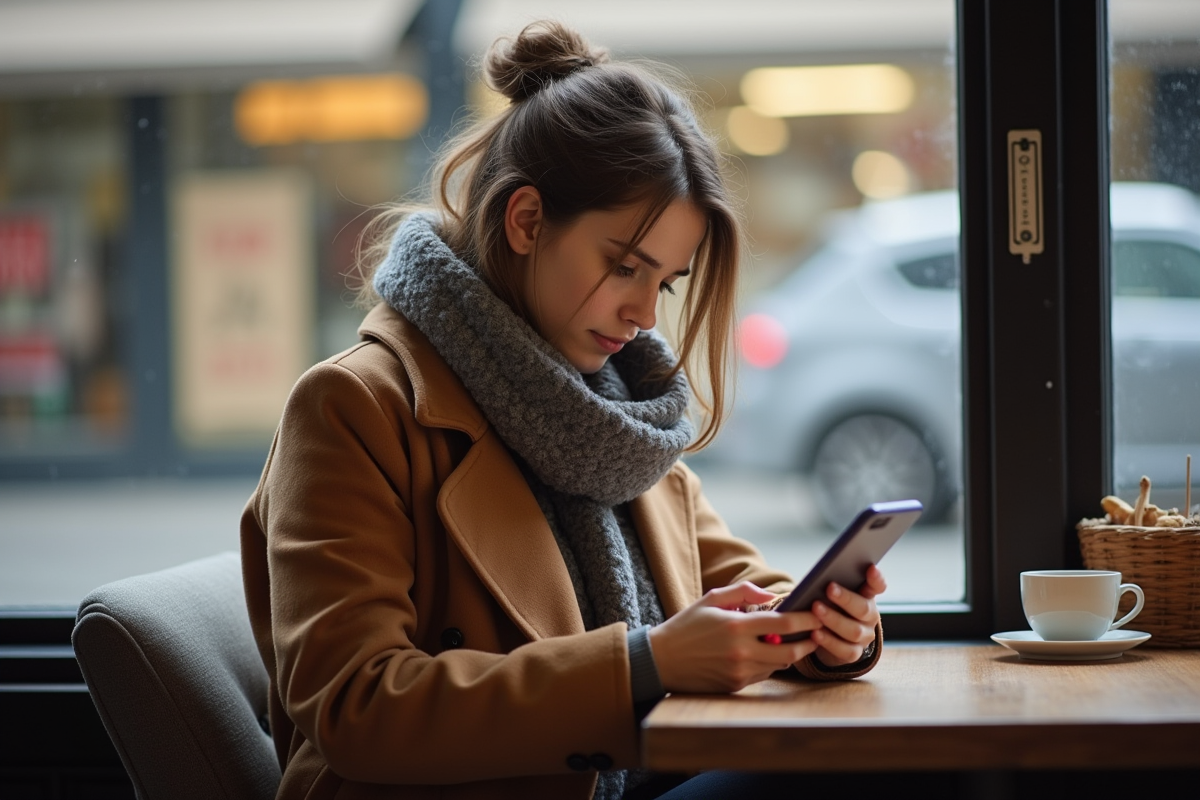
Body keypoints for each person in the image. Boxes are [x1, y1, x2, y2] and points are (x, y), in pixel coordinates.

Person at [240, 20, 887, 800]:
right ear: (525, 221)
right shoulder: (356, 407)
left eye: (665, 282)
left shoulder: (619, 413)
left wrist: (826, 629)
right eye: (624, 266)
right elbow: (358, 706)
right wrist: (647, 664)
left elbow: (742, 581)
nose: (644, 313)